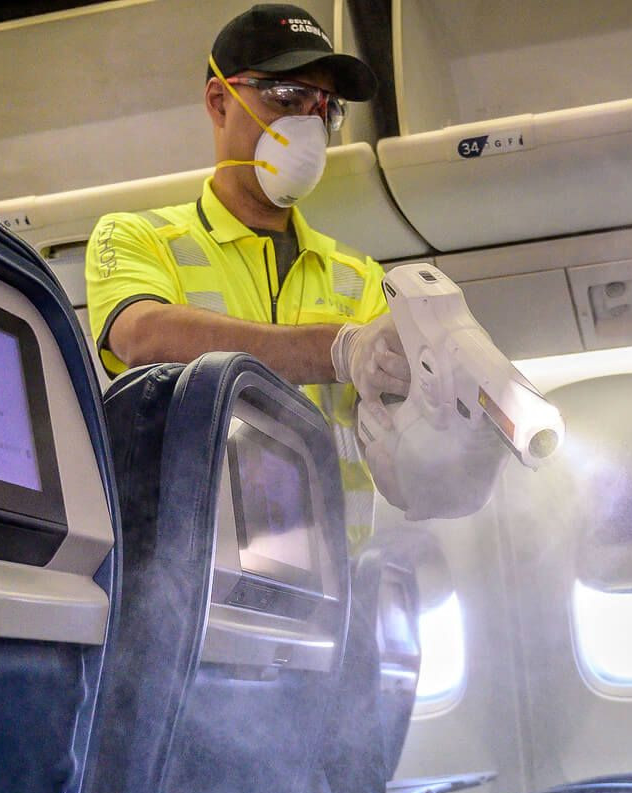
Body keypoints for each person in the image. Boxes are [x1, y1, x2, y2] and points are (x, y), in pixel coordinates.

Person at [84, 4, 411, 553]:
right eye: (287, 98)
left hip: (340, 598)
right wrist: (336, 348)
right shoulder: (137, 238)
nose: (309, 122)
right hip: (198, 587)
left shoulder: (361, 278)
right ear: (220, 102)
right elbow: (142, 336)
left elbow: (403, 435)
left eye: (323, 107)